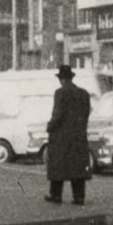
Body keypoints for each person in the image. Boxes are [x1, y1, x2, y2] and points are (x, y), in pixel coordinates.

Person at [45, 65, 92, 206]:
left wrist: (50, 127)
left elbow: (57, 114)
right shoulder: (84, 93)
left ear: (61, 79)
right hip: (78, 136)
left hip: (61, 137)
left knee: (57, 166)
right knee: (77, 168)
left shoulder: (60, 93)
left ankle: (56, 195)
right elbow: (86, 114)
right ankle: (79, 197)